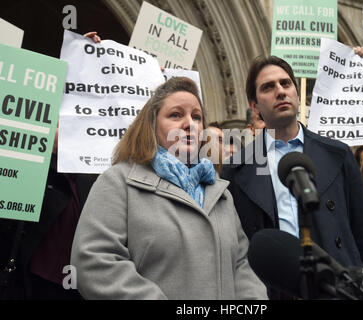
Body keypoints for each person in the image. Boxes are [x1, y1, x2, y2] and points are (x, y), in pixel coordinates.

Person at [70, 77, 268, 300]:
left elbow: (242, 265)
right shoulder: (119, 182)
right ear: (152, 125)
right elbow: (94, 261)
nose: (189, 124)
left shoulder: (221, 194)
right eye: (175, 115)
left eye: (196, 117)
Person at [221, 55, 363, 299]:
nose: (280, 91)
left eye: (285, 84)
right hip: (272, 291)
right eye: (268, 87)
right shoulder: (238, 169)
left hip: (340, 287)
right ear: (255, 106)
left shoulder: (337, 154)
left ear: (297, 94)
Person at [0, 122, 97, 300]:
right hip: (32, 280)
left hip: (81, 281)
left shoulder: (97, 172)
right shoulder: (27, 162)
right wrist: (45, 151)